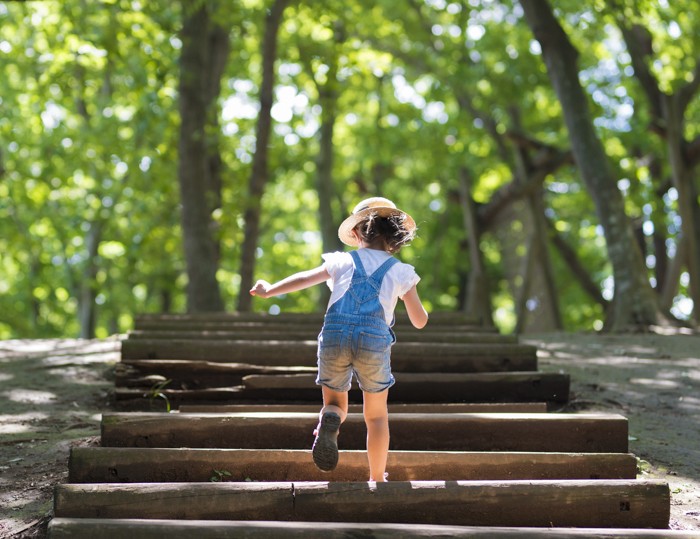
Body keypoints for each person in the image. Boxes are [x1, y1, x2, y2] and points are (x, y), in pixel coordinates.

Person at [249, 197, 428, 482]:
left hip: (335, 336)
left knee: (335, 402)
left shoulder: (341, 260)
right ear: (395, 239)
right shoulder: (401, 271)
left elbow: (305, 278)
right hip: (374, 342)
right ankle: (377, 477)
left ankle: (331, 418)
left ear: (356, 234)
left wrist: (269, 290)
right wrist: (409, 297)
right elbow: (420, 321)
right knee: (376, 416)